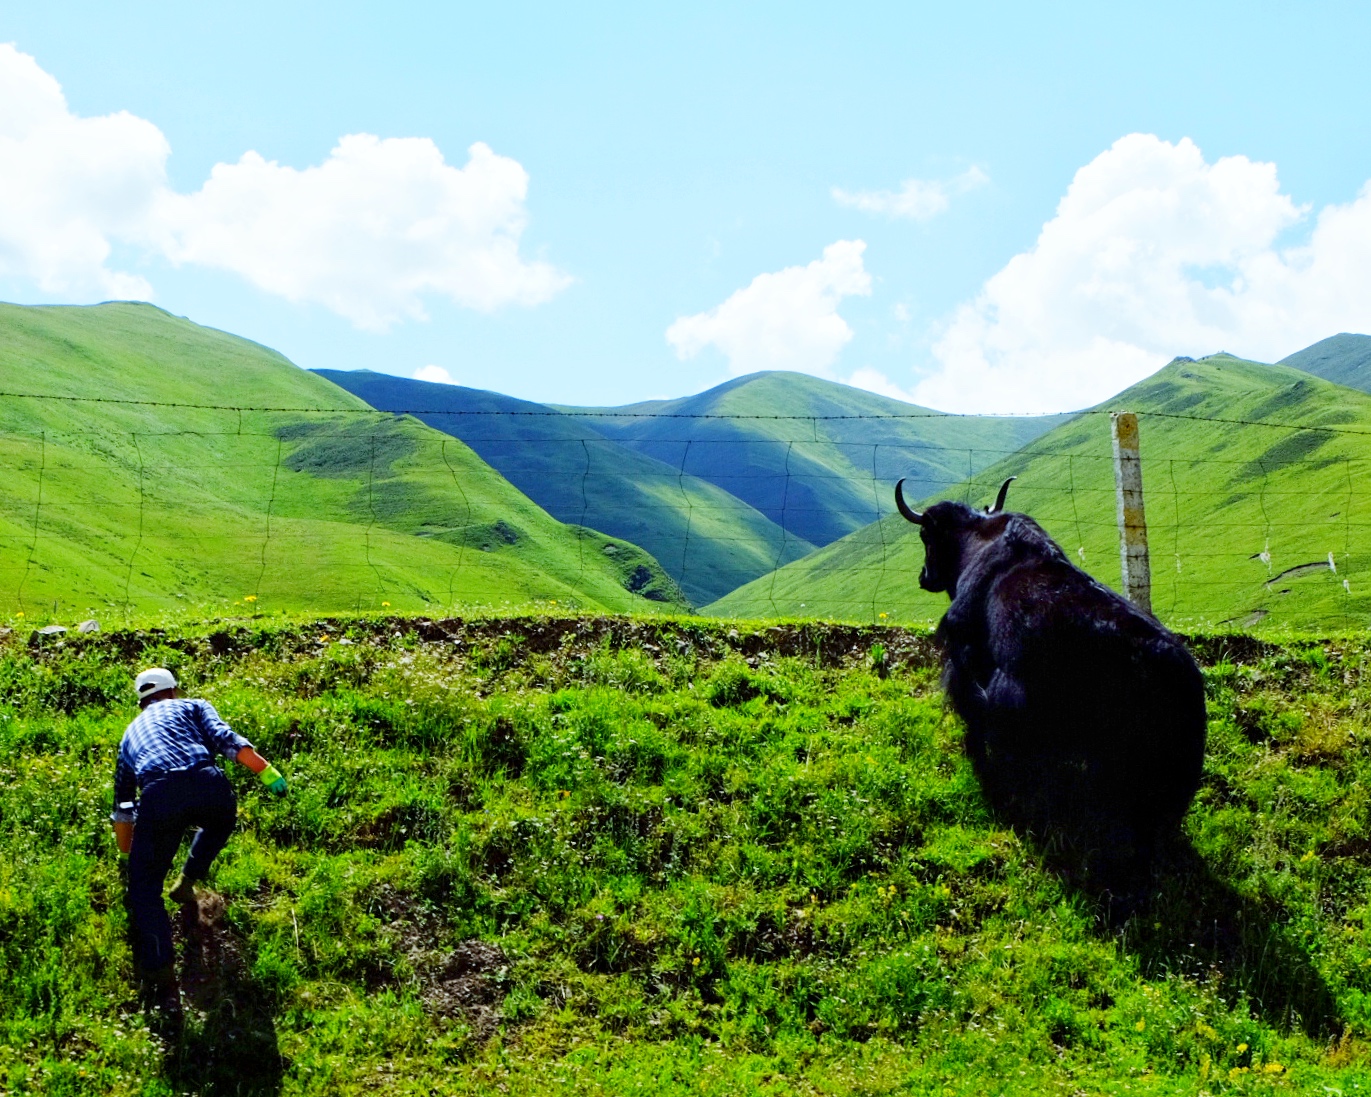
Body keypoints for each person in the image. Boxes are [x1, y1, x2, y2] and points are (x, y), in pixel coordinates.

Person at [110, 666, 288, 1013]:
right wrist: (266, 771)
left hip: (159, 794)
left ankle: (162, 976)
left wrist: (132, 855)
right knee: (219, 822)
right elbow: (226, 740)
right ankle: (187, 880)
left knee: (145, 890)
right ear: (173, 690)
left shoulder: (129, 736)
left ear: (141, 702)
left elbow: (124, 805)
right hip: (208, 784)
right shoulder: (192, 705)